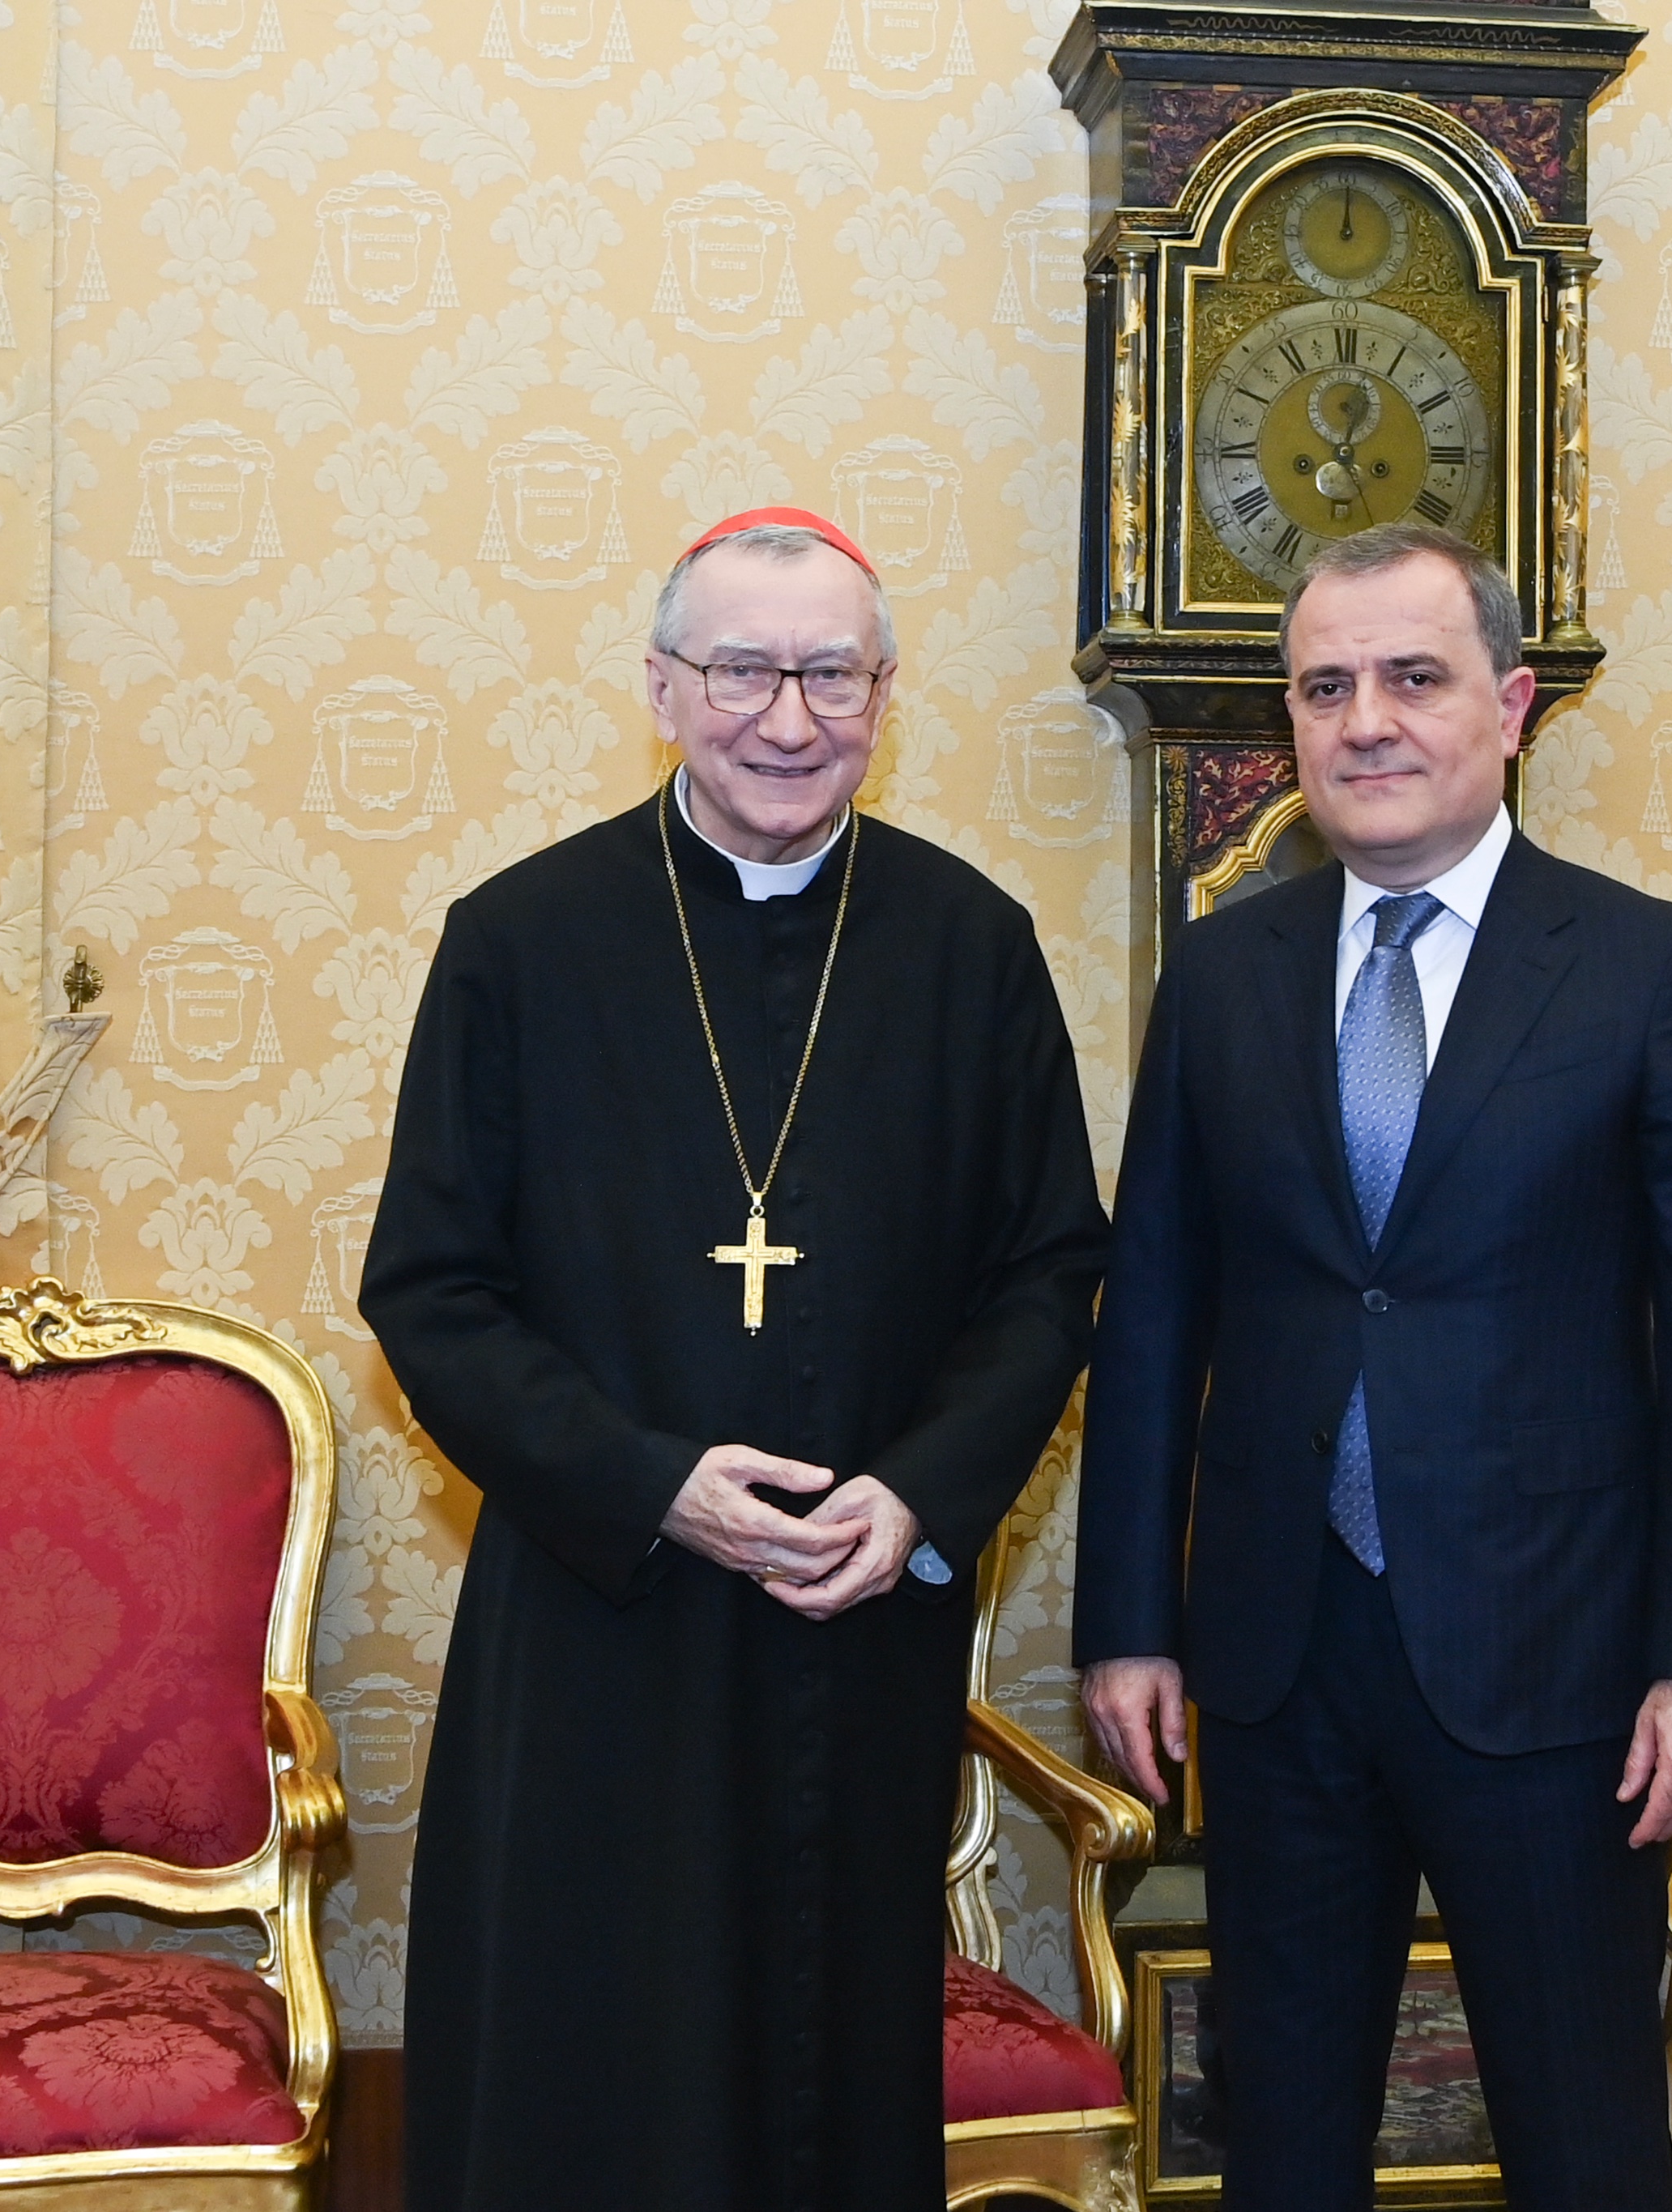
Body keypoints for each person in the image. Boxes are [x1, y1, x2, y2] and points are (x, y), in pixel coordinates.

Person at [362, 509, 1108, 2211]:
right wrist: (650, 1486)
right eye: (743, 672)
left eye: (831, 676)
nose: (787, 719)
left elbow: (1051, 1271)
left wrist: (917, 1496)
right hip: (597, 1618)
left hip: (853, 1626)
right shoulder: (520, 940)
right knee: (589, 2065)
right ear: (662, 687)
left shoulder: (970, 947)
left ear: (885, 696)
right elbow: (431, 1288)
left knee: (823, 2066)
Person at [1075, 522, 1672, 2212]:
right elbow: (1155, 1306)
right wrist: (1126, 1617)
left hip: (1557, 1667)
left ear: (1511, 705)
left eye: (1413, 678)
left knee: (1582, 2141)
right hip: (1275, 1660)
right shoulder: (1223, 973)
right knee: (1280, 2137)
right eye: (1325, 687)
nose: (1367, 722)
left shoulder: (1646, 969)